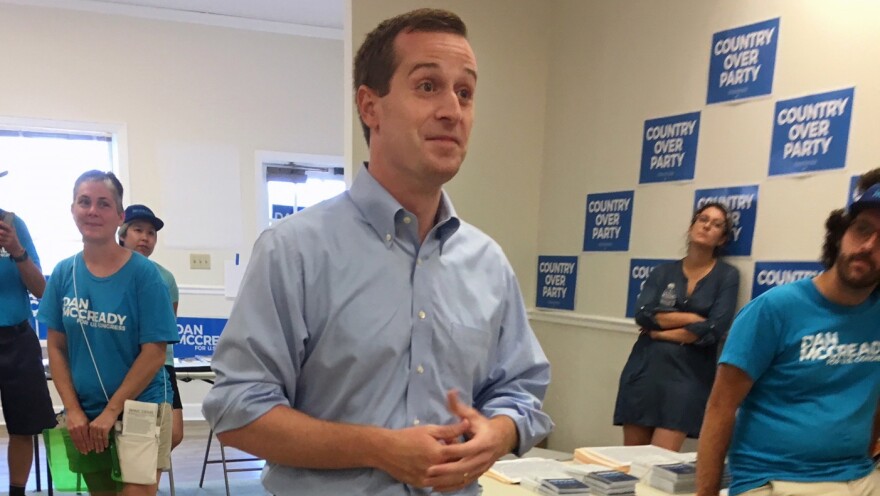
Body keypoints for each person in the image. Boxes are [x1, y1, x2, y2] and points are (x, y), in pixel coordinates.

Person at [202, 8, 552, 496]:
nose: (453, 110)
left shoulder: (487, 263)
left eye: (465, 92)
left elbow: (521, 388)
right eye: (428, 86)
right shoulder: (295, 251)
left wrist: (499, 432)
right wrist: (378, 447)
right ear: (370, 107)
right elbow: (238, 410)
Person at [696, 176, 880, 496]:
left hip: (861, 477)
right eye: (862, 229)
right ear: (841, 234)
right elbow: (720, 408)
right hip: (776, 480)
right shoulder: (773, 310)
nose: (868, 247)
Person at [38, 170, 179, 496]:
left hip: (140, 407)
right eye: (84, 202)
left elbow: (155, 353)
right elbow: (56, 348)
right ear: (72, 209)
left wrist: (112, 411)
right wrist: (72, 410)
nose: (92, 211)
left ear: (119, 216)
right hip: (85, 413)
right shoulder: (63, 273)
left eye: (104, 204)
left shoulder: (145, 276)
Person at [613, 202, 739, 451]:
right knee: (629, 465)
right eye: (703, 219)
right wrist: (692, 320)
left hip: (688, 378)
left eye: (716, 224)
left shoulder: (727, 276)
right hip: (644, 371)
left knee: (659, 464)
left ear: (722, 239)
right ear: (692, 226)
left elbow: (713, 329)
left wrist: (659, 332)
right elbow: (643, 314)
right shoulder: (662, 272)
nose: (707, 226)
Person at [0, 177, 57, 496]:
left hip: (18, 339)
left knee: (24, 426)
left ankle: (17, 493)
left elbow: (41, 291)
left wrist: (16, 250)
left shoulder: (14, 224)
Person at [118, 204, 183, 454]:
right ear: (122, 233)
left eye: (151, 233)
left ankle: (141, 479)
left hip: (160, 364)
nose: (145, 237)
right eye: (138, 230)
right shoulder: (110, 271)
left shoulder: (165, 278)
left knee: (174, 433)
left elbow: (168, 328)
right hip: (123, 363)